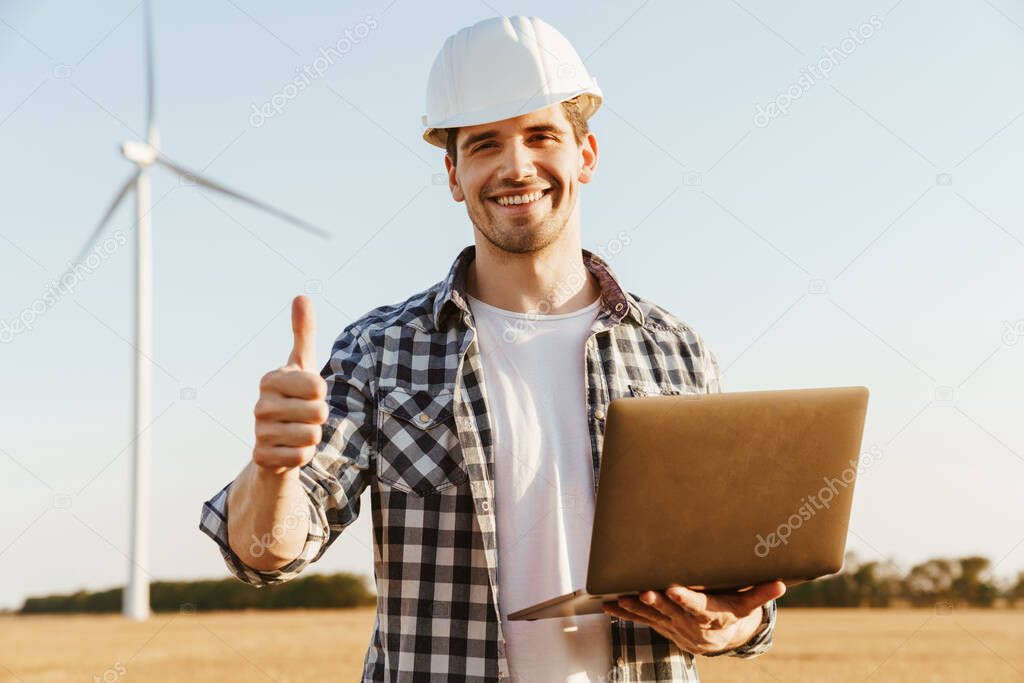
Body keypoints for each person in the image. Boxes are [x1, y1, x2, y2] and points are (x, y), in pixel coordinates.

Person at [199, 15, 784, 682]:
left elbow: (729, 587)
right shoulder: (380, 351)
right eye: (484, 144)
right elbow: (268, 553)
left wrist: (734, 624)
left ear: (585, 155)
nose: (515, 166)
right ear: (453, 173)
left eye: (540, 136)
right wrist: (271, 470)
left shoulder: (675, 351)